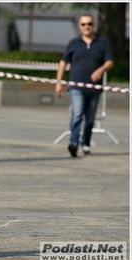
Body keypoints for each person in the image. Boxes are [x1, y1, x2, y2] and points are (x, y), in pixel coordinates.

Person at [55, 13, 114, 157]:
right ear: (79, 26)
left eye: (89, 24)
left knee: (90, 118)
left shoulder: (102, 42)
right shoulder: (74, 43)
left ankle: (85, 143)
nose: (86, 27)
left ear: (93, 25)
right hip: (76, 87)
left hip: (94, 88)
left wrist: (101, 69)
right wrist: (59, 82)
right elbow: (63, 62)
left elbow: (110, 61)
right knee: (77, 114)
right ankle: (73, 143)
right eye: (83, 24)